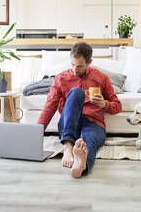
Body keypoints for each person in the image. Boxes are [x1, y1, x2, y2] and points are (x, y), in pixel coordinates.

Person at [37, 42, 122, 178]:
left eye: (80, 66)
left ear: (90, 62)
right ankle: (68, 146)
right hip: (69, 123)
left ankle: (81, 165)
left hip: (93, 123)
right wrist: (36, 133)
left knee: (89, 142)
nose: (75, 69)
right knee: (76, 92)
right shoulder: (61, 78)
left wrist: (104, 104)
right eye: (72, 65)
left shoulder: (102, 78)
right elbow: (50, 106)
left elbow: (117, 106)